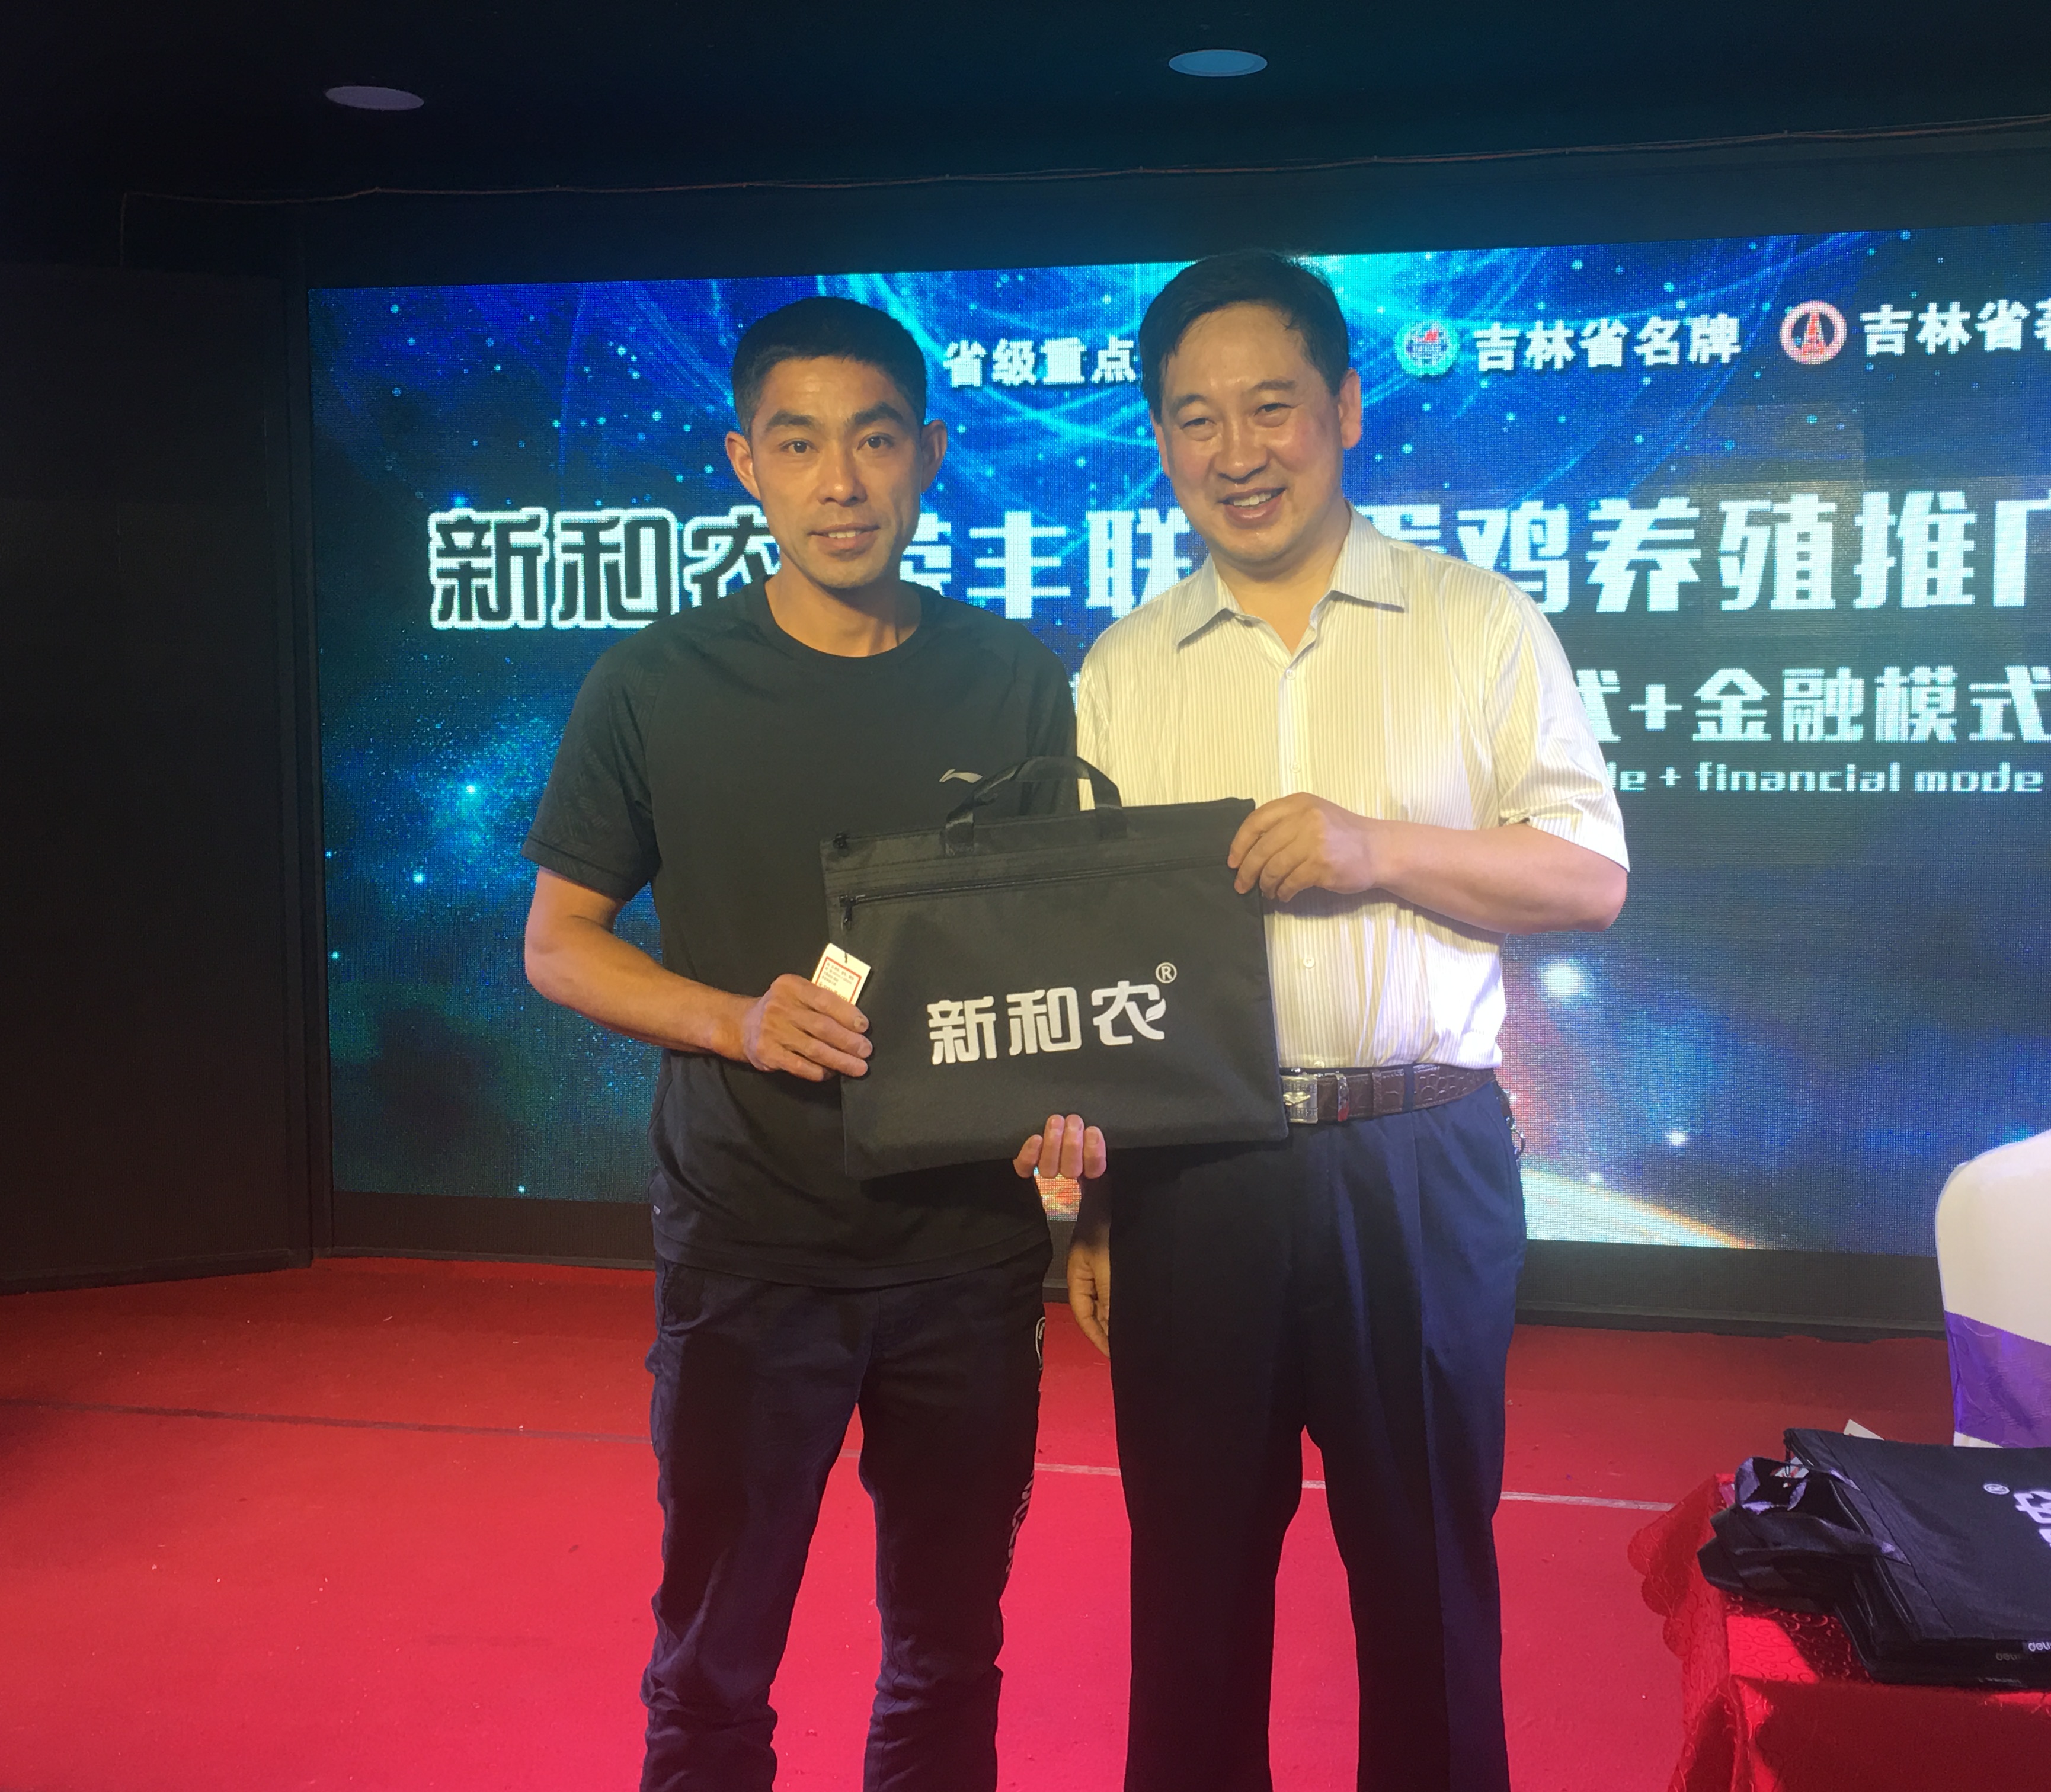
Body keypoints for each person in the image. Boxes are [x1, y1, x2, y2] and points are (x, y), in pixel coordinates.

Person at [1063, 250, 1630, 1792]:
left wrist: (1379, 850)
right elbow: (1099, 957)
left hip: (1415, 1163)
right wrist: (1092, 1203)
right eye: (1196, 419)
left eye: (1273, 407)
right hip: (1192, 1176)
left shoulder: (1475, 623)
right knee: (1190, 1594)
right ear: (1160, 440)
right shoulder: (1122, 670)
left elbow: (1589, 877)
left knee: (1428, 1585)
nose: (1237, 452)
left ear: (1348, 408)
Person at [520, 295, 1078, 1792]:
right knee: (714, 1658)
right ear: (745, 463)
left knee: (949, 1652)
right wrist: (736, 1018)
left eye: (875, 441)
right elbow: (558, 944)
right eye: (799, 444)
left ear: (931, 455)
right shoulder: (654, 684)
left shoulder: (1016, 679)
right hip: (750, 1251)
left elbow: (1048, 952)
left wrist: (1070, 1132)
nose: (841, 482)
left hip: (966, 1258)